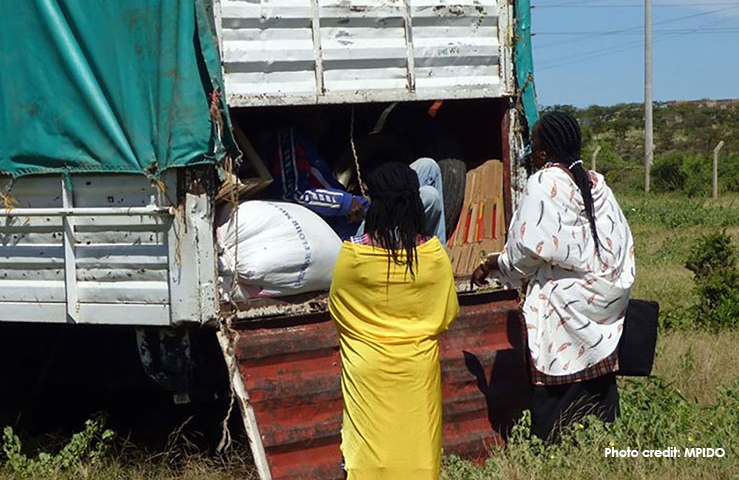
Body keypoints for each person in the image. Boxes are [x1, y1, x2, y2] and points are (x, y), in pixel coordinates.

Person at [471, 110, 635, 442]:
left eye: (533, 145)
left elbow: (526, 251)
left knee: (555, 397)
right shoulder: (597, 184)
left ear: (543, 153)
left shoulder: (544, 183)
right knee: (597, 391)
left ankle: (552, 455)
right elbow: (620, 246)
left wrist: (493, 264)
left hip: (561, 311)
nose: (530, 152)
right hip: (597, 307)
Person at [329, 162, 459, 479]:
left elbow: (337, 309)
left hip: (366, 367)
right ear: (415, 201)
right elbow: (448, 314)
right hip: (418, 368)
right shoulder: (434, 255)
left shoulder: (352, 254)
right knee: (417, 452)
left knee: (369, 451)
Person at [262, 127, 447, 244]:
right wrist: (345, 202)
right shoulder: (288, 141)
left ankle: (439, 251)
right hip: (348, 232)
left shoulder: (307, 140)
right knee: (429, 196)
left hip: (365, 213)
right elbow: (293, 193)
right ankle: (427, 254)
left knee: (428, 166)